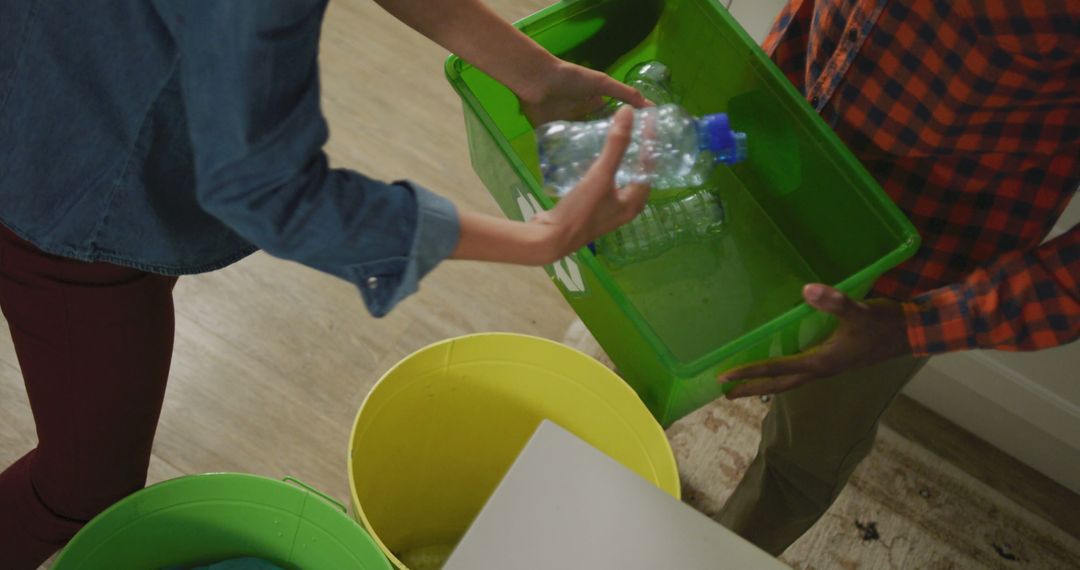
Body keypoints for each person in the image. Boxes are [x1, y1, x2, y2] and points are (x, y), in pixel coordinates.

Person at [0, 1, 651, 566]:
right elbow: (267, 193)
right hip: (61, 199)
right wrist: (537, 240)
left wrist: (536, 77)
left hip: (62, 102)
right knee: (81, 491)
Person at [715, 0, 1079, 555]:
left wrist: (918, 326)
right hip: (778, 140)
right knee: (671, 344)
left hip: (903, 273)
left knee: (800, 456)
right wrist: (754, 94)